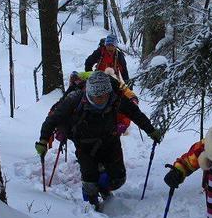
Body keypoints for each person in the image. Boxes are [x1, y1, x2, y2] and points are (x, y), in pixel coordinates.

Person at [36, 71, 161, 210]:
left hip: (110, 140)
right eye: (97, 96)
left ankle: (103, 186)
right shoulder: (75, 99)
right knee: (90, 181)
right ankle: (92, 205)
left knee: (118, 179)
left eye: (104, 95)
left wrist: (151, 131)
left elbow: (135, 114)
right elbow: (53, 119)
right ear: (89, 93)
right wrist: (43, 140)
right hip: (84, 144)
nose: (101, 99)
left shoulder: (116, 99)